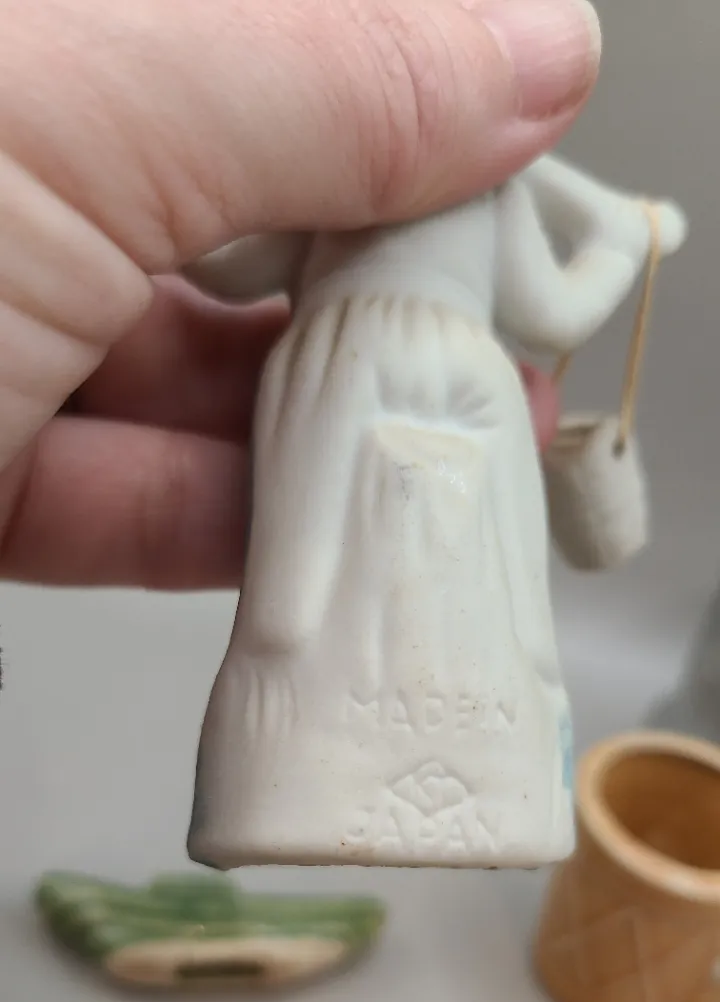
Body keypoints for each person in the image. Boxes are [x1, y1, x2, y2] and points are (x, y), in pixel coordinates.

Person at [0, 0, 600, 589]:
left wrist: (169, 187)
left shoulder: (337, 177)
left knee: (317, 563)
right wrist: (617, 233)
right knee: (435, 564)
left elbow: (227, 272)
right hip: (440, 369)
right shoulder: (488, 191)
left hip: (336, 366)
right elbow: (555, 315)